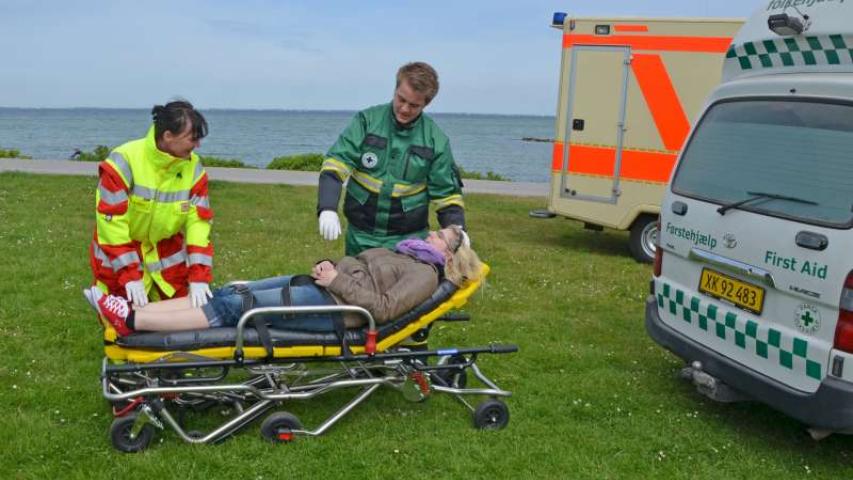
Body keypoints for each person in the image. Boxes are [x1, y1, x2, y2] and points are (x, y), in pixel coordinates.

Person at [83, 226, 481, 337]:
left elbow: (383, 309)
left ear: (449, 256)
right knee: (233, 291)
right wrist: (331, 269)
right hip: (329, 290)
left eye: (440, 236)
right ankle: (133, 308)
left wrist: (336, 279)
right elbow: (362, 272)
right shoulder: (408, 254)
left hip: (339, 311)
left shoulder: (424, 274)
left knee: (236, 308)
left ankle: (132, 322)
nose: (432, 233)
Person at [317, 61, 467, 256]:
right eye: (401, 99)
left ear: (426, 104)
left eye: (414, 105)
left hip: (409, 241)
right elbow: (335, 165)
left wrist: (459, 230)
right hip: (361, 235)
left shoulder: (436, 141)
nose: (404, 109)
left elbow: (447, 196)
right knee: (353, 276)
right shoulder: (366, 121)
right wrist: (327, 207)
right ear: (395, 90)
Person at [88, 100, 215, 310]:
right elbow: (111, 224)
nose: (197, 145)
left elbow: (198, 223)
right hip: (120, 258)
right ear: (168, 136)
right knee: (120, 322)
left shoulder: (194, 167)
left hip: (168, 261)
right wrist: (129, 273)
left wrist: (199, 275)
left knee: (181, 320)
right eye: (192, 138)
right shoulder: (123, 161)